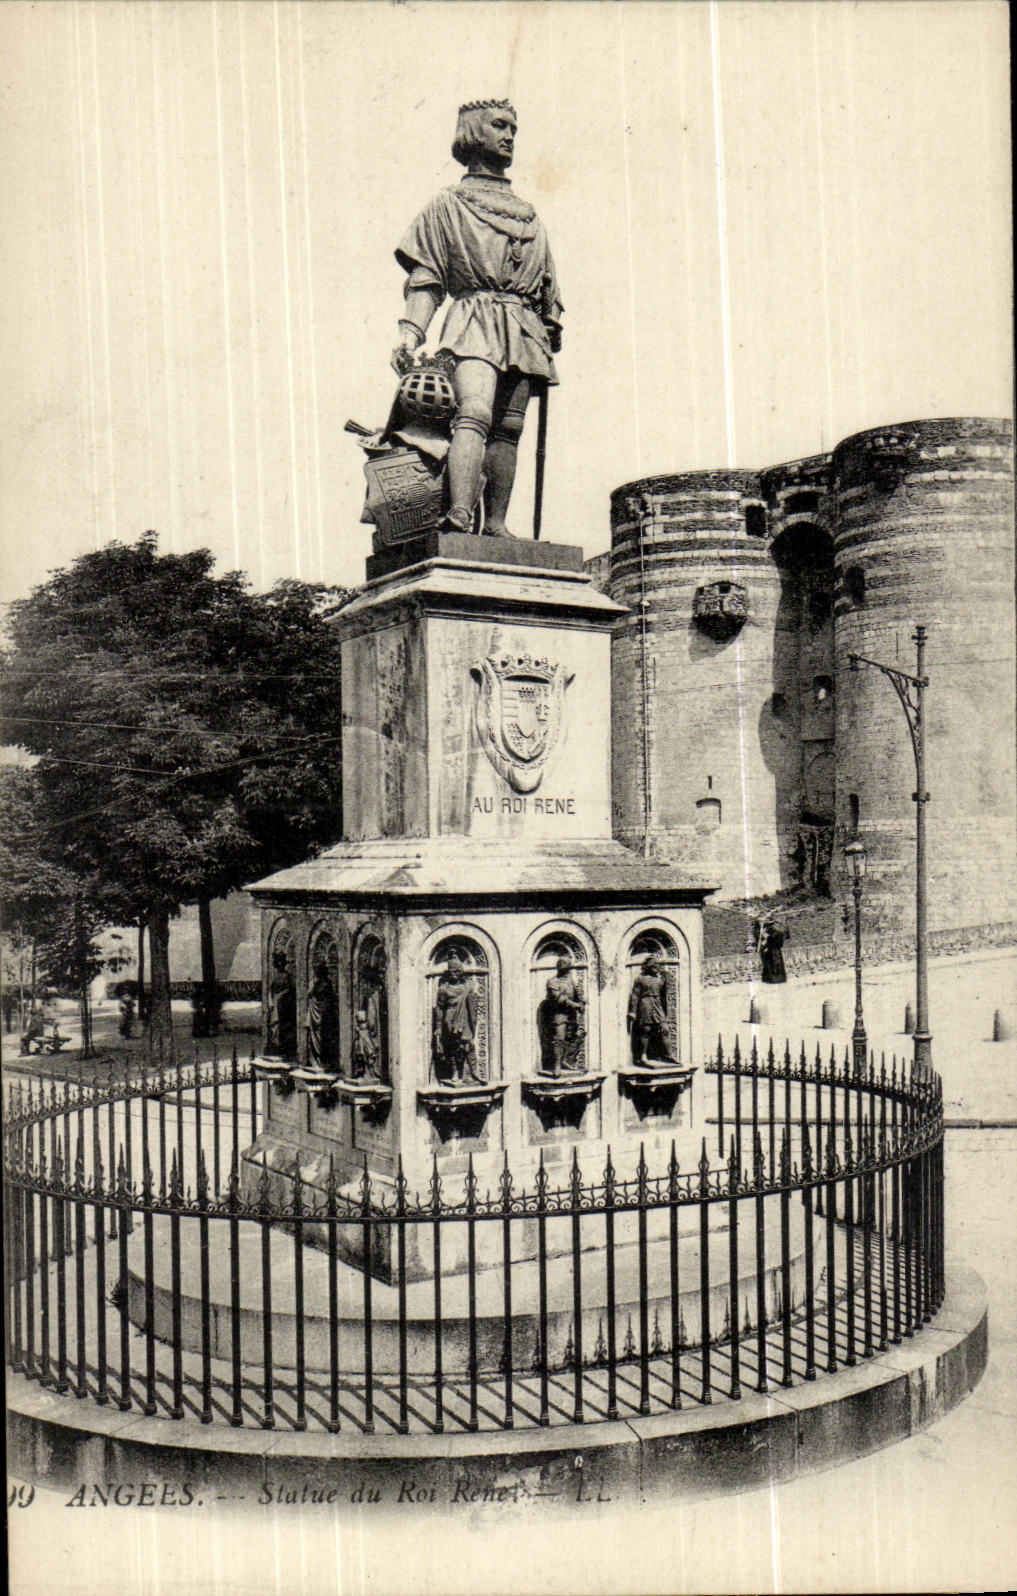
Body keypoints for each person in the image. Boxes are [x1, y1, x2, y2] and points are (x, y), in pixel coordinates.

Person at [392, 99, 563, 538]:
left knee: (510, 427)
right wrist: (411, 332)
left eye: (513, 129)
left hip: (522, 326)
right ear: (473, 132)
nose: (508, 136)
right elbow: (428, 277)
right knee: (473, 412)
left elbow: (547, 285)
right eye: (499, 126)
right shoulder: (447, 204)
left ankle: (498, 525)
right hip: (472, 317)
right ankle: (460, 513)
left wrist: (548, 323)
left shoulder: (529, 213)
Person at [432, 956, 483, 1084]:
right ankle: (455, 1072)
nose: (454, 974)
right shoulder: (444, 989)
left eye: (457, 971)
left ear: (461, 972)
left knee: (469, 1044)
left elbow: (473, 1001)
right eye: (451, 971)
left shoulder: (468, 985)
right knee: (453, 1047)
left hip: (465, 1018)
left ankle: (474, 1071)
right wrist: (438, 1028)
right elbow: (440, 1009)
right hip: (450, 1019)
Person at [539, 955, 586, 1077]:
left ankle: (564, 1060)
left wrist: (582, 1001)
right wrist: (574, 1005)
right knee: (559, 1039)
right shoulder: (552, 982)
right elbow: (559, 998)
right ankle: (557, 1065)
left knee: (570, 1038)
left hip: (571, 1015)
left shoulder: (571, 980)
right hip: (559, 1014)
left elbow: (578, 993)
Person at [627, 955, 676, 1065]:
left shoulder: (659, 979)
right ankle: (643, 1055)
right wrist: (632, 1011)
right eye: (655, 965)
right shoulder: (640, 979)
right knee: (646, 1030)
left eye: (658, 966)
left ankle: (670, 1054)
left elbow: (665, 995)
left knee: (665, 1028)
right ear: (649, 966)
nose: (657, 967)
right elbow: (635, 995)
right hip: (645, 1004)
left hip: (657, 1004)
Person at [306, 957, 340, 1071]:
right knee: (320, 1036)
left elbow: (310, 994)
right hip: (319, 1011)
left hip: (323, 1013)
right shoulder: (320, 983)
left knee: (323, 1036)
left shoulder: (325, 983)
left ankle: (321, 1061)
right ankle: (318, 1061)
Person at [266, 949, 297, 1061]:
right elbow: (270, 990)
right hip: (276, 1006)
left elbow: (291, 990)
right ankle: (276, 1049)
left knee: (283, 1028)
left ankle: (284, 1051)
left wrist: (280, 997)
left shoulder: (288, 977)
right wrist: (271, 1001)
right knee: (275, 1027)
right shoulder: (275, 977)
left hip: (285, 1007)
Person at [758, 916, 789, 984]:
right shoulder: (779, 933)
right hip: (777, 951)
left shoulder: (768, 935)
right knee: (778, 964)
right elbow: (782, 942)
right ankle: (780, 979)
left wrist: (764, 947)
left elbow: (765, 944)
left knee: (771, 964)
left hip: (770, 951)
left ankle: (772, 979)